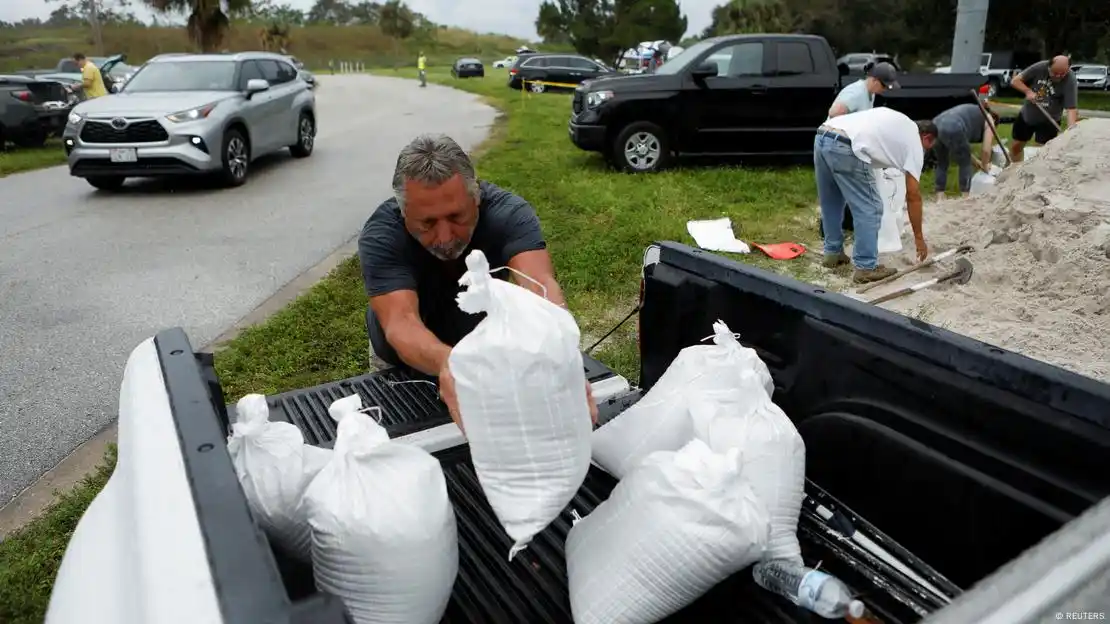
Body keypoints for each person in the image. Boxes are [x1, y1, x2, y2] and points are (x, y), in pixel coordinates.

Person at [358, 134, 598, 426]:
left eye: (456, 216)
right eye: (427, 224)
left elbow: (539, 285)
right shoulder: (382, 234)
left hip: (483, 354)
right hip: (403, 362)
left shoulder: (509, 214)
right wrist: (449, 364)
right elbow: (401, 322)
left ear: (477, 196)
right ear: (404, 212)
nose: (445, 238)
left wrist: (558, 347)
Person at [814, 107, 937, 283]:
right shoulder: (914, 143)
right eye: (929, 146)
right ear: (927, 138)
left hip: (823, 134)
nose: (927, 151)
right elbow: (913, 195)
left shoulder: (899, 122)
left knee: (831, 202)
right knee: (870, 209)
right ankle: (866, 267)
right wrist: (919, 238)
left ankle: (832, 254)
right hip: (848, 145)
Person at [1009, 55, 1079, 162]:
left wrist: (1070, 132)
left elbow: (1071, 109)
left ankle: (1036, 174)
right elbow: (1015, 81)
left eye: (1062, 74)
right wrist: (1028, 91)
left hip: (1050, 121)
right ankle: (1013, 171)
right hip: (1028, 115)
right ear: (1049, 66)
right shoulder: (1039, 67)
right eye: (1055, 73)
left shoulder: (1070, 79)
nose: (1058, 77)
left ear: (1068, 69)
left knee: (1042, 153)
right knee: (1016, 147)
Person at [932, 102, 999, 199]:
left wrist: (977, 162)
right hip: (954, 125)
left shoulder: (976, 113)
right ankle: (965, 197)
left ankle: (940, 196)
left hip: (935, 124)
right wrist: (985, 165)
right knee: (965, 163)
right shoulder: (989, 120)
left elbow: (962, 150)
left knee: (942, 162)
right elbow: (985, 150)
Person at [827, 62, 900, 118]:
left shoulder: (871, 93)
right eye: (884, 85)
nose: (885, 89)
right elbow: (834, 112)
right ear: (874, 80)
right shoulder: (857, 92)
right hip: (832, 136)